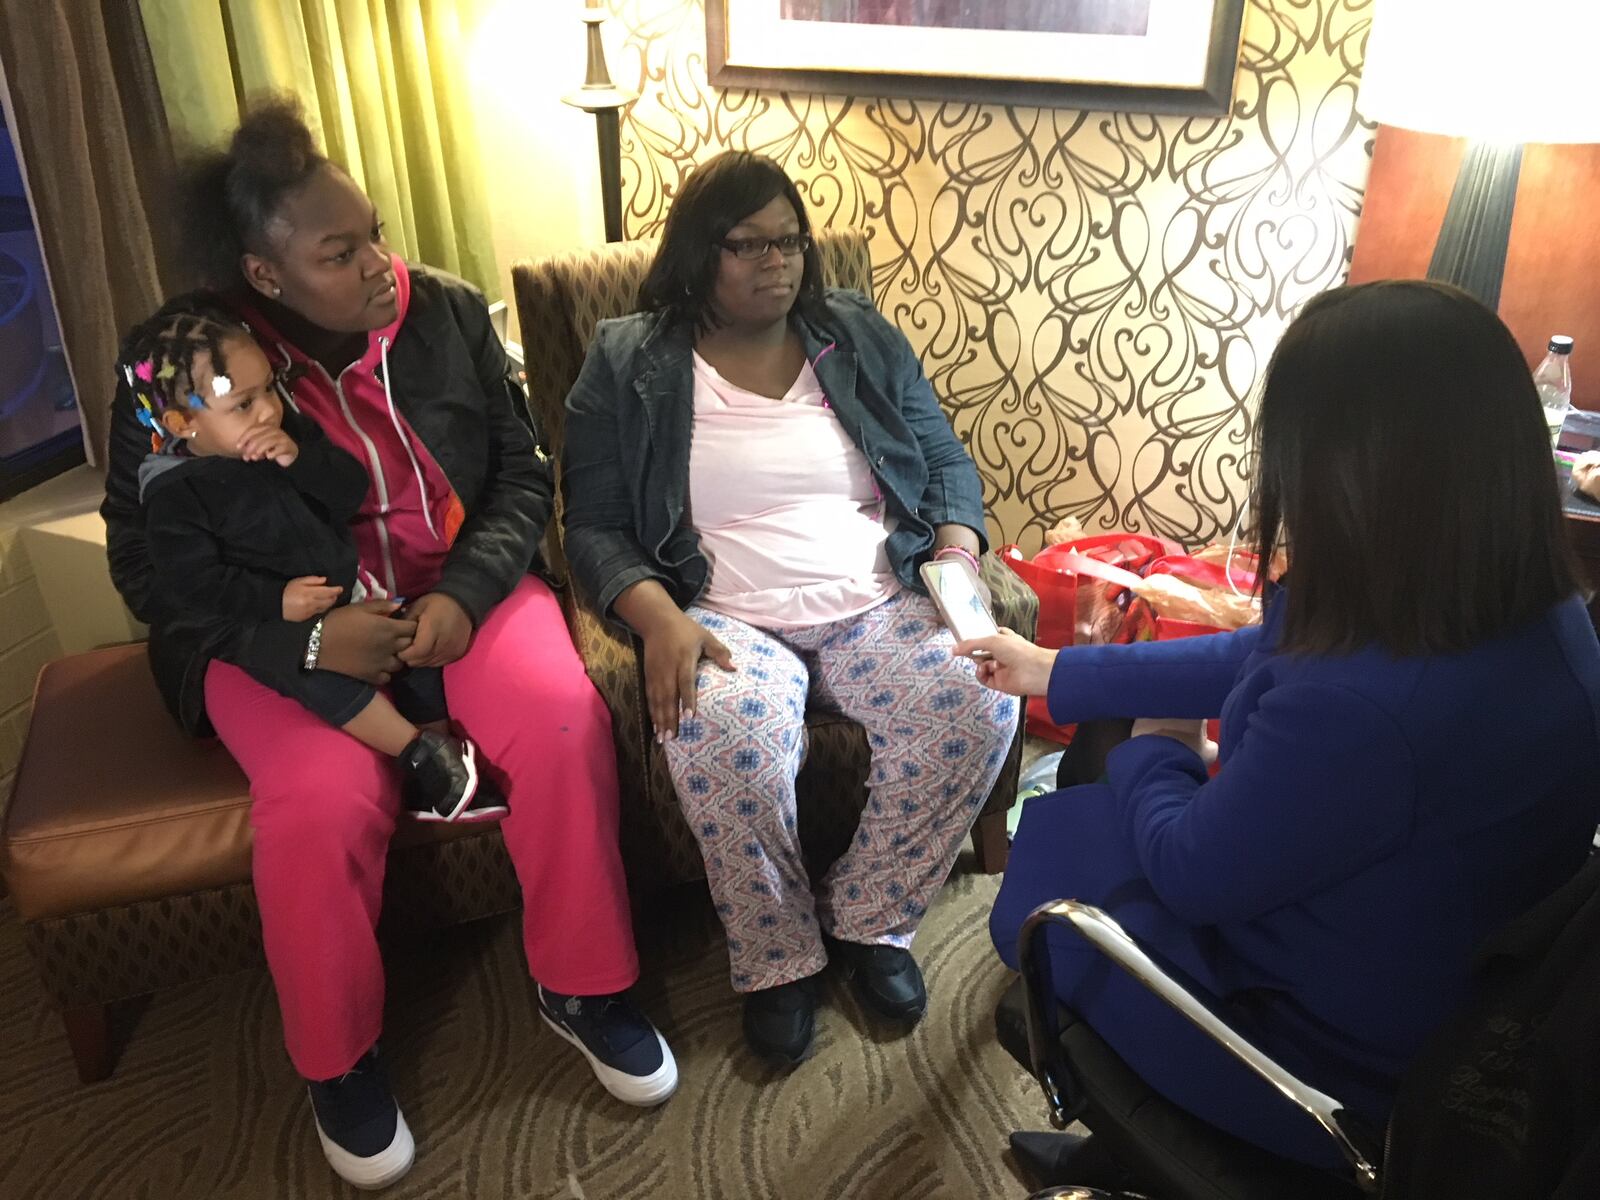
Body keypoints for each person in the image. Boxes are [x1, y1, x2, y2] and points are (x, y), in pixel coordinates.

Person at [100, 101, 676, 1191]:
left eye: (373, 229)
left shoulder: (445, 313)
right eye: (339, 250)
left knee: (560, 722)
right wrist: (311, 637)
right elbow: (149, 567)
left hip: (451, 590)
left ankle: (584, 983)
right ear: (265, 278)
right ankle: (338, 1058)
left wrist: (464, 590)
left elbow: (520, 473)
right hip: (276, 631)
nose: (379, 260)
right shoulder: (182, 369)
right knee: (321, 802)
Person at [965, 279, 1600, 1177]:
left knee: (1078, 850)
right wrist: (1055, 670)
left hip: (1319, 1057)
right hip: (1443, 979)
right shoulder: (1531, 610)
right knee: (1110, 767)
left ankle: (1158, 1141)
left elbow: (1190, 869)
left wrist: (1161, 744)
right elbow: (1278, 647)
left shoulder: (1364, 708)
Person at [561, 150, 1019, 1068]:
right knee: (720, 735)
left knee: (979, 701)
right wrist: (658, 618)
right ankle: (778, 959)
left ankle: (869, 920)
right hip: (722, 610)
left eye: (790, 241)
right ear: (699, 252)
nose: (778, 261)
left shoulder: (856, 331)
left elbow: (944, 461)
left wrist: (957, 553)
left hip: (874, 595)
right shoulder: (628, 357)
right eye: (748, 245)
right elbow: (595, 523)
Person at [122, 297, 505, 822]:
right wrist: (276, 601)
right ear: (182, 421)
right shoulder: (175, 496)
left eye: (269, 391)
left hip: (348, 589)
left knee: (410, 646)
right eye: (243, 404)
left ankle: (437, 761)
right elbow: (195, 585)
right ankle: (419, 755)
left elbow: (349, 492)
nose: (268, 411)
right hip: (267, 624)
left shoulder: (289, 434)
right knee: (320, 681)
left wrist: (301, 460)